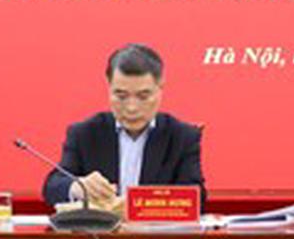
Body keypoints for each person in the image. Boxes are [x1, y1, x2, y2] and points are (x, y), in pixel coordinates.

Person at [43, 44, 206, 208]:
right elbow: (53, 186)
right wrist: (78, 187)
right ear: (109, 87)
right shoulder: (84, 134)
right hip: (100, 225)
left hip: (154, 225)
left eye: (143, 96)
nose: (131, 108)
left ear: (160, 88)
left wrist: (141, 203)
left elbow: (196, 196)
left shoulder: (182, 137)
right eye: (121, 96)